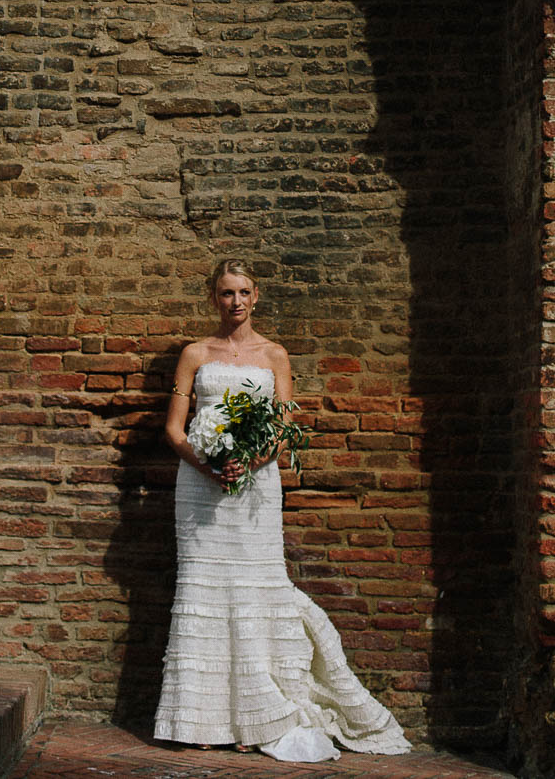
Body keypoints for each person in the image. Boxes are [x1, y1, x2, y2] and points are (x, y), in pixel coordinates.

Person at [153, 257, 411, 763]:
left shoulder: (275, 355)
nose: (236, 302)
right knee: (203, 591)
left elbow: (279, 431)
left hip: (255, 488)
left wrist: (247, 462)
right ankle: (198, 719)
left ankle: (260, 716)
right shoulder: (194, 353)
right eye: (226, 293)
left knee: (256, 592)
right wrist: (208, 466)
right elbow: (174, 429)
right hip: (199, 488)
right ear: (214, 298)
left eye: (244, 292)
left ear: (257, 296)